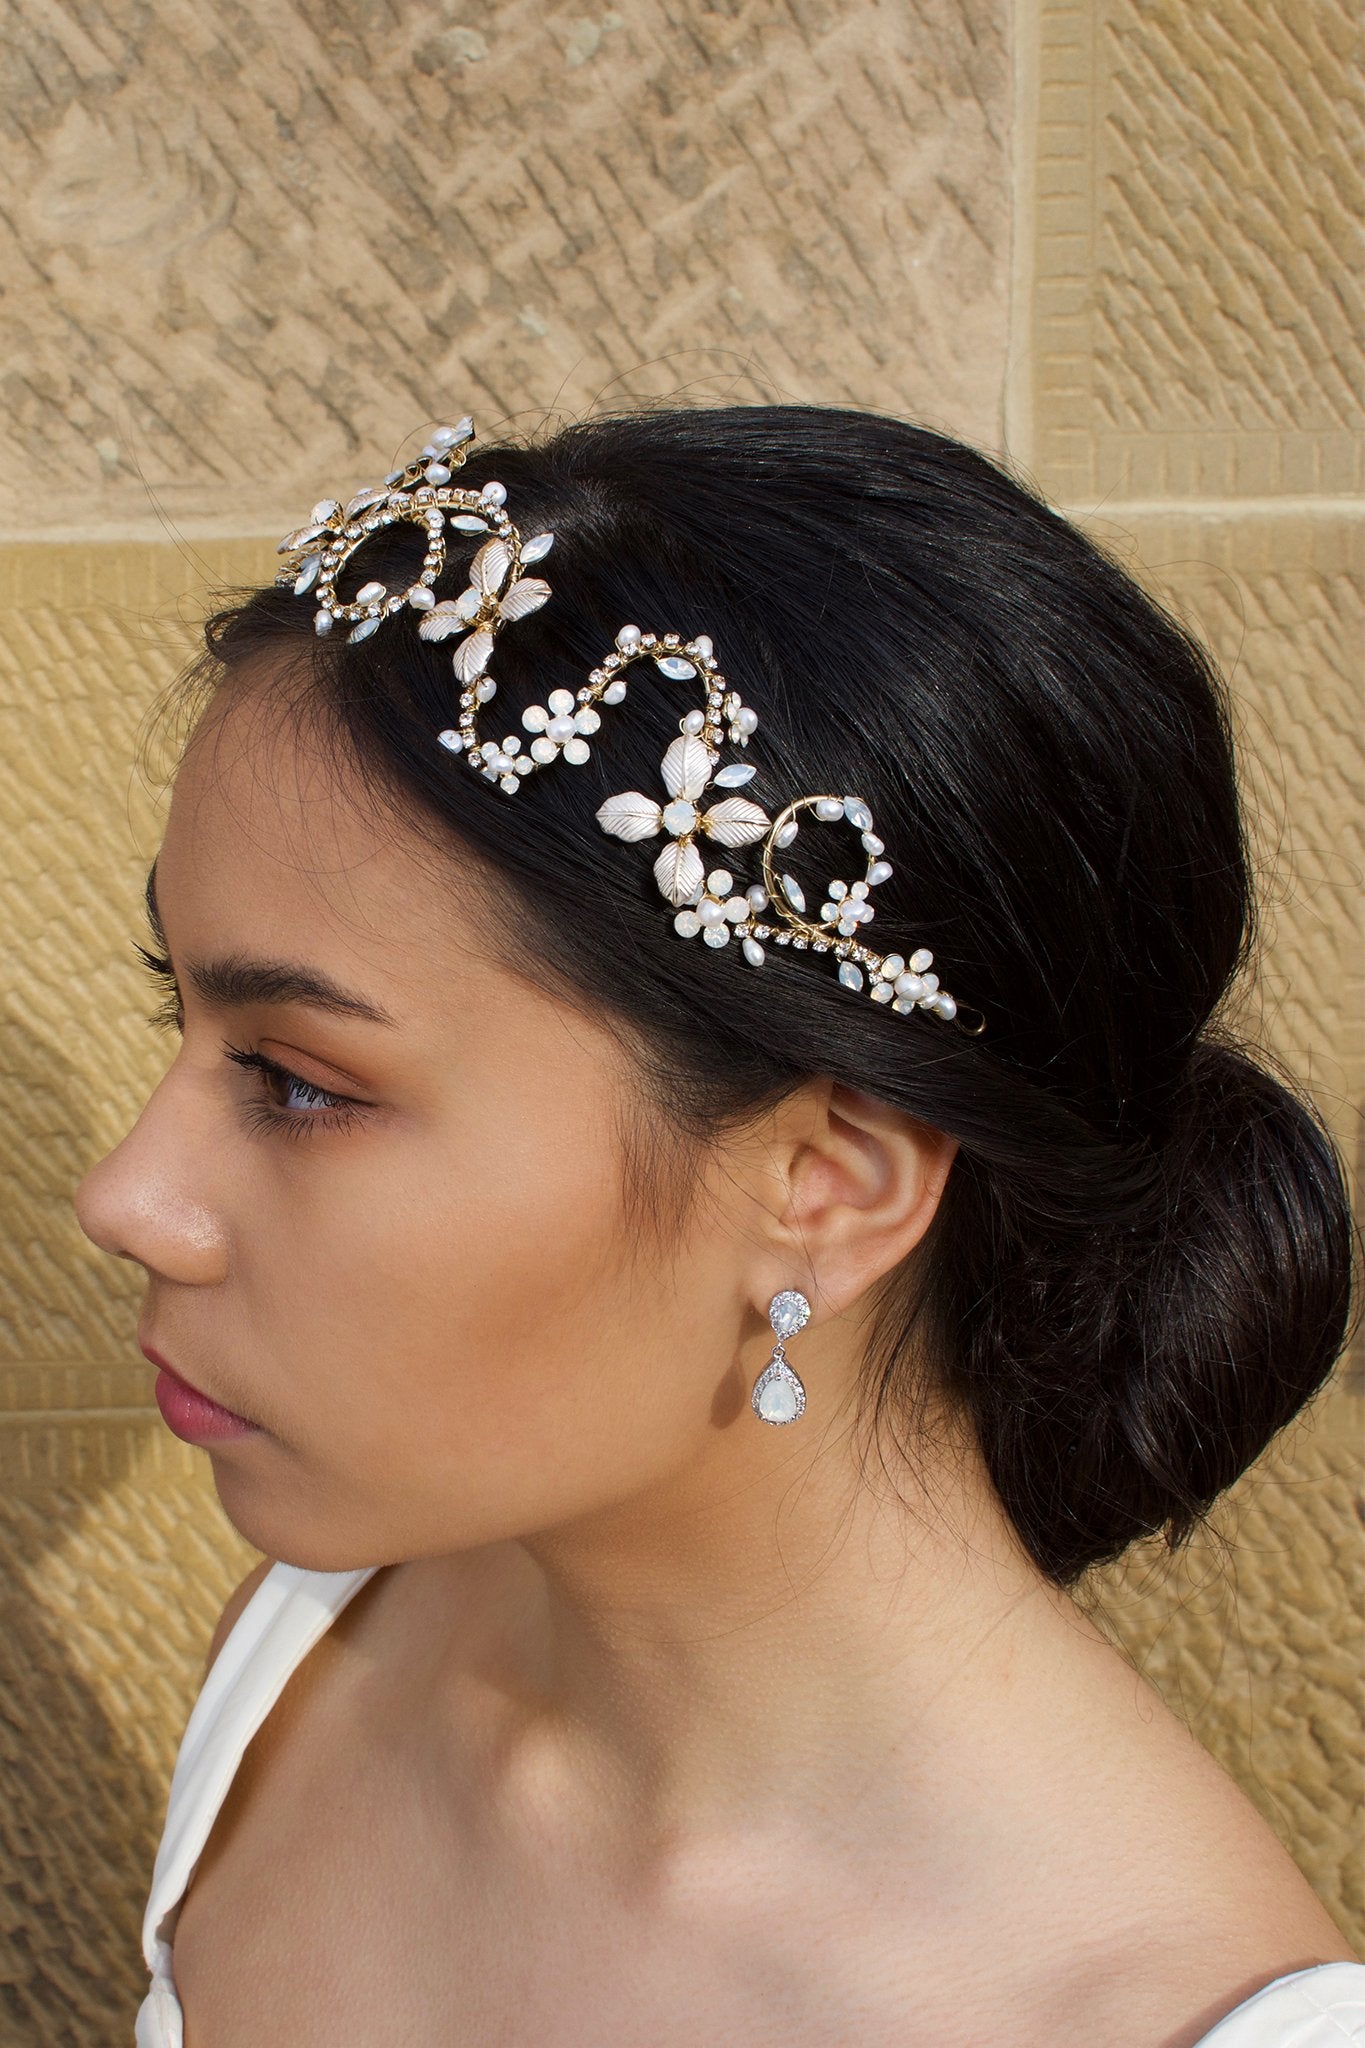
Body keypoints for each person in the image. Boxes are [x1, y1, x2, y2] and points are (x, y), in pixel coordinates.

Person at [75, 405, 1363, 2047]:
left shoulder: (1149, 2011)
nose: (127, 1198)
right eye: (174, 1013)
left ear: (825, 1182)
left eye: (302, 1083)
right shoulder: (317, 1656)